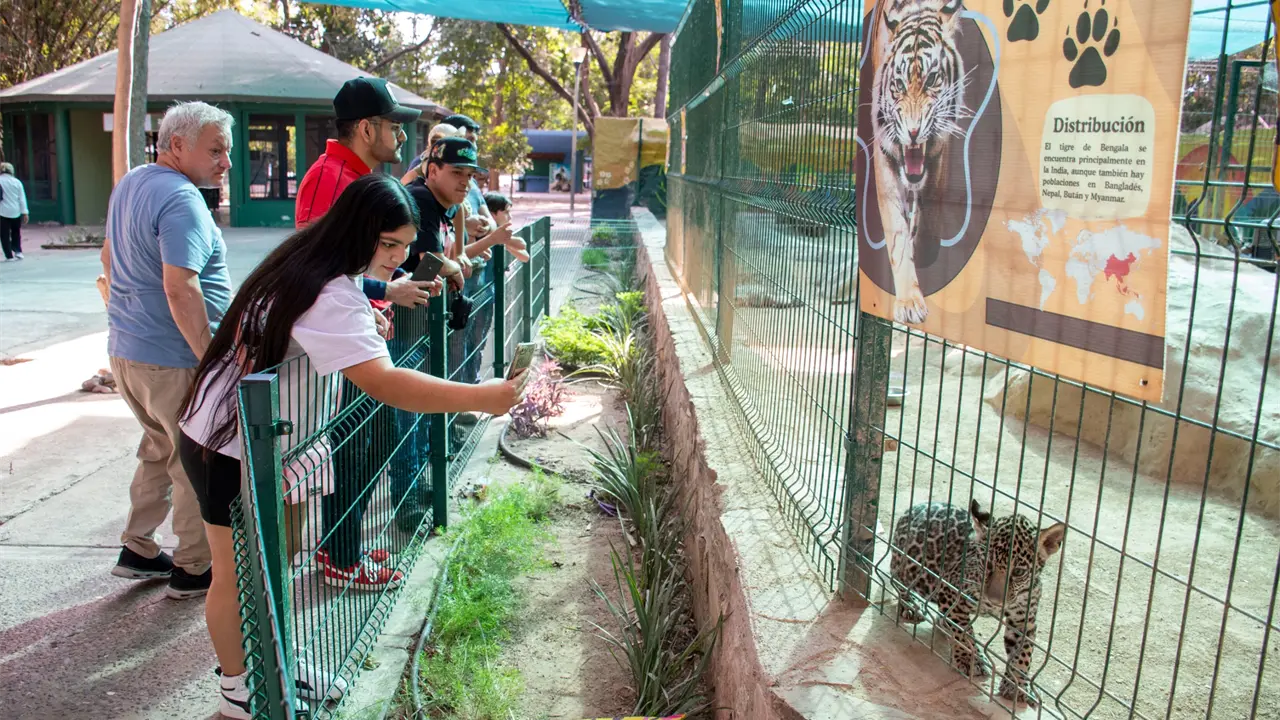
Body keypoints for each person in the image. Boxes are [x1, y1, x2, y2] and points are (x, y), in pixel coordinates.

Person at [177, 174, 525, 719]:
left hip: (261, 440)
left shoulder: (312, 263)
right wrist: (482, 397)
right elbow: (385, 383)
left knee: (272, 568)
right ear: (357, 232)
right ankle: (238, 693)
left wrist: (370, 312)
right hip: (228, 445)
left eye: (406, 246)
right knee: (235, 575)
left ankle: (275, 666)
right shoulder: (330, 291)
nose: (397, 258)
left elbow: (333, 319)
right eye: (388, 245)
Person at [296, 77, 439, 587]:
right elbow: (321, 270)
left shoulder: (353, 175)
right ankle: (339, 557)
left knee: (366, 443)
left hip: (357, 327)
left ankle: (343, 548)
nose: (402, 138)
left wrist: (370, 297)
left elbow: (349, 277)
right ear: (365, 127)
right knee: (356, 447)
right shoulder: (332, 178)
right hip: (337, 347)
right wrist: (381, 293)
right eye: (393, 126)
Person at [100, 101, 234, 600]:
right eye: (216, 150)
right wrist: (209, 355)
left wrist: (127, 317)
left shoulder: (133, 182)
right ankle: (195, 567)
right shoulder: (182, 200)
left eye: (227, 151)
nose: (225, 163)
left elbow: (108, 258)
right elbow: (182, 288)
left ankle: (138, 547)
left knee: (159, 447)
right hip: (174, 358)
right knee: (191, 461)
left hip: (130, 352)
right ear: (177, 145)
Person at [0, 162, 29, 260]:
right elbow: (22, 198)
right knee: (16, 232)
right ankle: (18, 250)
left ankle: (8, 254)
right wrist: (24, 212)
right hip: (15, 211)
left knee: (4, 235)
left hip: (2, 212)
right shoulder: (17, 182)